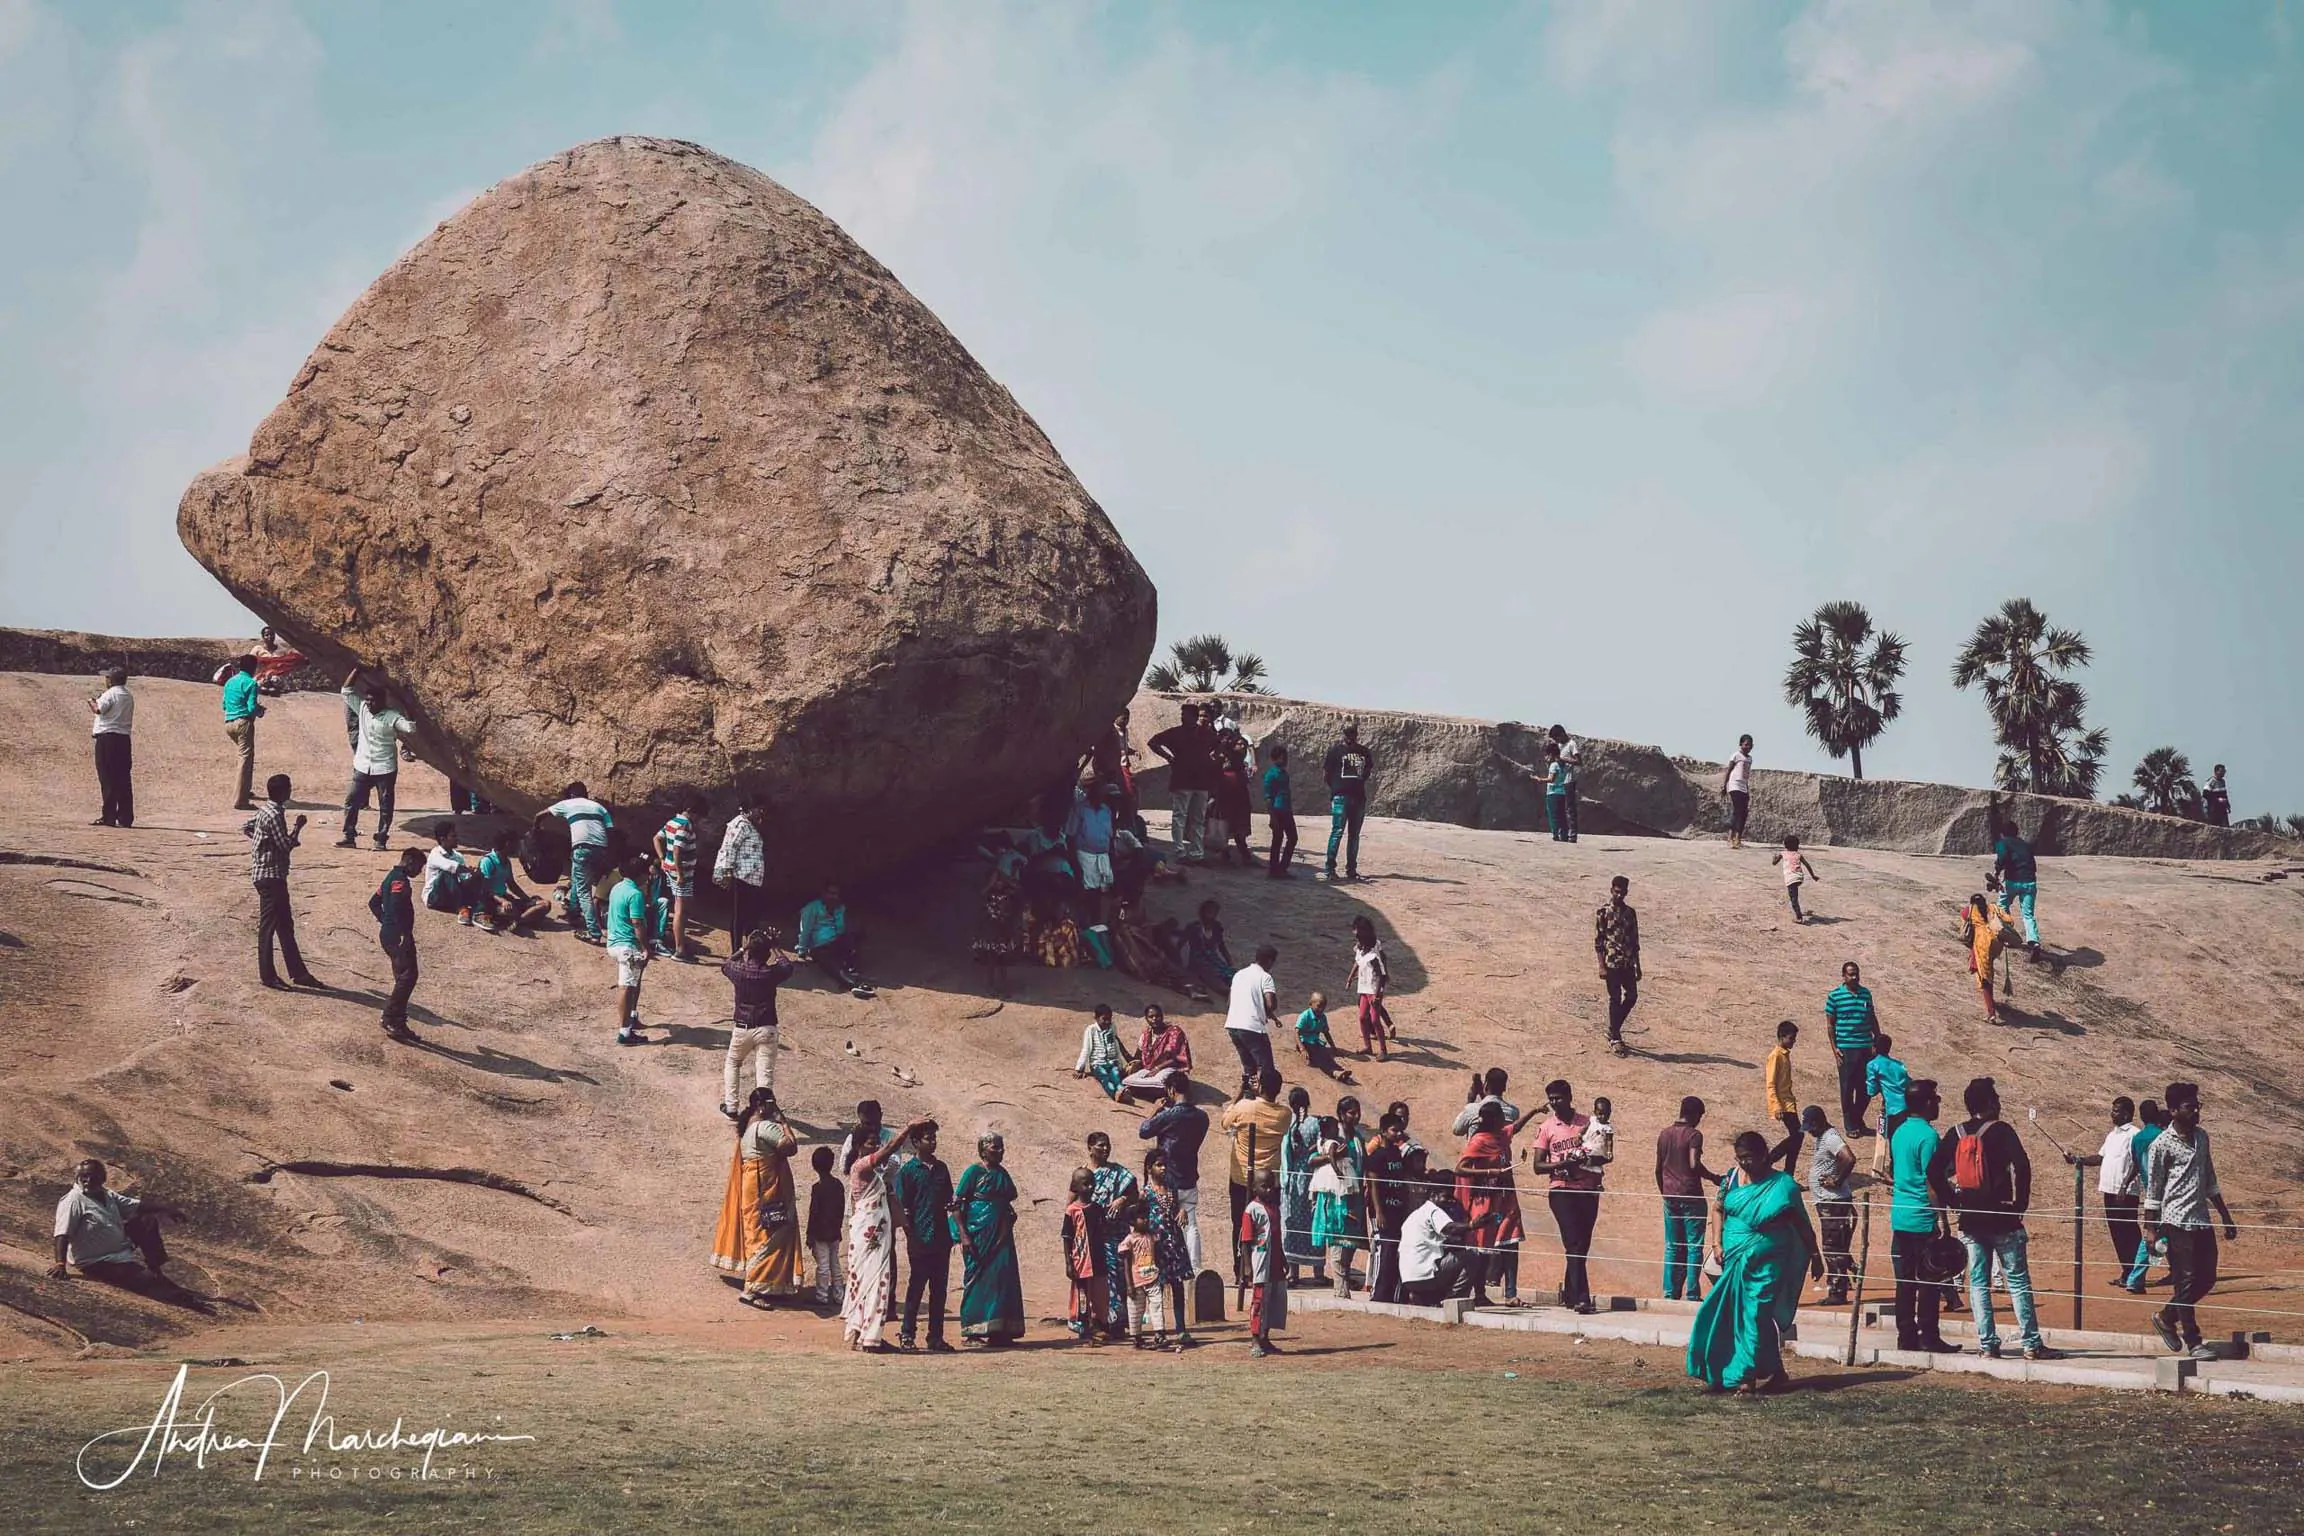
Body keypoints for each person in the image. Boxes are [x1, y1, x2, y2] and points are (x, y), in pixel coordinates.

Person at [1930, 1077, 2059, 1361]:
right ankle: (2031, 1343)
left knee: (1977, 1282)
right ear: (1990, 1103)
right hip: (2002, 1216)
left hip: (1970, 1218)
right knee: (2017, 1280)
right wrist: (2019, 1204)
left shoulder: (1956, 1132)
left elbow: (1934, 1171)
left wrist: (1953, 1201)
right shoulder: (2001, 1130)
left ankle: (1988, 1344)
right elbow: (2022, 1165)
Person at [1685, 1131, 1821, 1393]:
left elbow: (1802, 1224)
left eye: (1748, 1158)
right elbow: (1718, 1208)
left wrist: (1815, 1256)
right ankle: (1774, 1371)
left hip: (1768, 1260)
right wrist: (1716, 1243)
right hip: (1734, 1255)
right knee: (1729, 1312)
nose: (1743, 1163)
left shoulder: (1784, 1185)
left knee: (1755, 1312)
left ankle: (1745, 1376)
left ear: (1763, 1155)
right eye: (1739, 1158)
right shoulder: (1732, 1178)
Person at [2140, 1081, 2239, 1360]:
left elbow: (2210, 1179)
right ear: (2173, 1111)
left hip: (2201, 1219)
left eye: (2197, 1105)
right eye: (2189, 1106)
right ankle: (2194, 1341)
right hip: (2175, 1220)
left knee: (2207, 1278)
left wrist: (2225, 1216)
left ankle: (2165, 1316)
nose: (2195, 1110)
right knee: (2185, 1279)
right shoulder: (2161, 1145)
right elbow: (2154, 1189)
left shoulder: (2202, 1137)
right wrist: (2150, 1229)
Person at [840, 1117, 931, 1351]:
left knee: (870, 1282)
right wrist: (908, 1128)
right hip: (868, 1236)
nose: (875, 1147)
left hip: (876, 1235)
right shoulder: (861, 1167)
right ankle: (870, 1338)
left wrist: (908, 1230)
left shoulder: (876, 1175)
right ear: (860, 1146)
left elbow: (892, 1201)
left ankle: (863, 1335)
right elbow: (890, 1149)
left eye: (876, 1143)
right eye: (871, 1144)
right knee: (871, 1282)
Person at [710, 1088, 803, 1309]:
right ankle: (752, 1289)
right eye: (772, 1104)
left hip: (754, 1188)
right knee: (770, 1236)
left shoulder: (748, 1129)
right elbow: (791, 1148)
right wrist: (785, 1123)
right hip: (767, 1191)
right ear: (762, 1106)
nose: (774, 1108)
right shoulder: (765, 1127)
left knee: (757, 1236)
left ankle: (769, 1284)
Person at [1888, 1079, 1956, 1352]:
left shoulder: (1899, 1132)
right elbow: (1932, 1181)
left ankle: (1905, 1336)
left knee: (1904, 1282)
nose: (1938, 1103)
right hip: (1922, 1216)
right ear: (1927, 1103)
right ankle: (1929, 1335)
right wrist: (1943, 1219)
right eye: (1936, 1099)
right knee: (1929, 1280)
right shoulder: (1928, 1137)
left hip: (1900, 1215)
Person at [49, 1159, 185, 1289]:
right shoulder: (73, 1201)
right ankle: (155, 1280)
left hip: (120, 1251)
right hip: (96, 1261)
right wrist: (60, 1264)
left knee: (146, 1220)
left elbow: (136, 1206)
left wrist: (167, 1209)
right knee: (148, 1281)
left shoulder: (107, 1195)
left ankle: (155, 1266)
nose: (88, 1181)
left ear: (103, 1179)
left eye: (93, 1177)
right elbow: (62, 1233)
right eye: (84, 1177)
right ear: (78, 1177)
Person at [1531, 1080, 1604, 1312]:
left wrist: (1585, 1161)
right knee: (1572, 1242)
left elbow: (1603, 1152)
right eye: (1551, 1099)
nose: (1554, 1103)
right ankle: (1583, 1298)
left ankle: (1570, 1294)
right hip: (1561, 1190)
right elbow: (1538, 1165)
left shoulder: (1589, 1123)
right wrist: (1563, 1163)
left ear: (1569, 1096)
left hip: (1588, 1190)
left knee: (1582, 1244)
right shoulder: (1547, 1127)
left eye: (1558, 1098)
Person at [244, 773, 319, 991]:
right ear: (284, 792)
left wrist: (260, 843)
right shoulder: (274, 814)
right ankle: (268, 976)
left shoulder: (264, 810)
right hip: (271, 876)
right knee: (269, 927)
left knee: (285, 925)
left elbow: (247, 827)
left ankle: (299, 972)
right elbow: (285, 844)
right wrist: (298, 828)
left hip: (266, 874)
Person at [1455, 1098, 1531, 1307]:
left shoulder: (1502, 1134)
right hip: (1486, 1199)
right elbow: (1460, 1168)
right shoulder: (1479, 1141)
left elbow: (1516, 1127)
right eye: (1501, 1117)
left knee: (1511, 1242)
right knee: (1482, 1246)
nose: (1504, 1121)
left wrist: (1534, 1111)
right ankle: (1479, 1293)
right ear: (1493, 1119)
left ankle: (1511, 1293)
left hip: (1506, 1200)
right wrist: (1489, 1171)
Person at [954, 1133, 1027, 1345]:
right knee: (977, 1277)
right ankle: (972, 1330)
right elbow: (957, 1203)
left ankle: (999, 1330)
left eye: (1001, 1147)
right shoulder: (974, 1172)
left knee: (1002, 1278)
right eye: (995, 1148)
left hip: (1001, 1234)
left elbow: (1008, 1198)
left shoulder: (1002, 1173)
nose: (1000, 1151)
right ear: (983, 1149)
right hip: (978, 1232)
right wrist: (963, 1234)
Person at [892, 1122, 957, 1351]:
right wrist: (911, 1234)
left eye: (934, 1138)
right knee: (916, 1288)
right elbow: (903, 1207)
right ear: (916, 1142)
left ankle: (935, 1337)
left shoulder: (941, 1169)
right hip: (919, 1238)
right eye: (928, 1138)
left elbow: (949, 1201)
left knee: (939, 1290)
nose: (933, 1142)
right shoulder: (908, 1172)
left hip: (941, 1238)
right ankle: (907, 1334)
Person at [1137, 1073, 1209, 1271]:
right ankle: (1195, 1268)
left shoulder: (1169, 1115)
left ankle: (1164, 1266)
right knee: (1191, 1224)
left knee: (1163, 1222)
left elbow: (1144, 1131)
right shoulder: (1202, 1117)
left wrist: (1154, 1110)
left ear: (1171, 1090)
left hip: (1167, 1178)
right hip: (1189, 1176)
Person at [721, 928, 797, 1115]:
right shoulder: (770, 974)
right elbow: (787, 966)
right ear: (767, 954)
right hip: (767, 1027)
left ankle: (731, 1107)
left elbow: (726, 964)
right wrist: (777, 947)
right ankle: (763, 1111)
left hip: (742, 1027)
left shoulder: (739, 970)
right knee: (764, 1074)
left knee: (733, 1063)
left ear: (749, 951)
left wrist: (743, 947)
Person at [338, 671, 416, 850]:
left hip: (385, 768)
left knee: (385, 806)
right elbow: (346, 691)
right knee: (352, 801)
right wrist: (357, 670)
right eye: (367, 699)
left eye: (373, 700)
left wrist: (407, 704)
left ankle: (381, 839)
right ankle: (349, 836)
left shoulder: (392, 716)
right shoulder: (363, 709)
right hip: (363, 765)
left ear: (382, 701)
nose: (369, 703)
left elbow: (410, 728)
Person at [1656, 1097, 1720, 1302]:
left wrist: (1664, 1192)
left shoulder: (1664, 1134)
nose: (1699, 1120)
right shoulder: (1694, 1135)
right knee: (1694, 1246)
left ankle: (1670, 1292)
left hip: (1670, 1195)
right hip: (1691, 1194)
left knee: (1672, 1246)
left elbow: (1658, 1168)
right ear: (1694, 1114)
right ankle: (1692, 1293)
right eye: (1699, 1116)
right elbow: (1694, 1163)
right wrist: (1713, 1177)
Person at [1221, 1069, 1291, 1244]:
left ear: (1259, 1086)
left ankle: (1240, 1267)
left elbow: (1225, 1123)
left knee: (1239, 1225)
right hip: (1269, 1180)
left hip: (1241, 1178)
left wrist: (1241, 1094)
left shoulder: (1244, 1106)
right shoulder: (1285, 1114)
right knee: (1267, 1226)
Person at [542, 783, 615, 944]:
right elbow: (611, 830)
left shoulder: (568, 803)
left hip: (582, 848)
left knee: (584, 891)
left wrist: (535, 829)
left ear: (572, 795)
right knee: (578, 878)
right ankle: (574, 912)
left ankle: (594, 933)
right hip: (602, 849)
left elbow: (541, 814)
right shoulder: (599, 807)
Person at [1085, 1131, 1140, 1334]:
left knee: (1117, 1277)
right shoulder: (1083, 1174)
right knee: (1095, 1279)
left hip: (1116, 1235)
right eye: (1100, 1145)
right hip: (1093, 1236)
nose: (1105, 1149)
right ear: (1090, 1148)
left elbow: (1134, 1193)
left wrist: (1122, 1200)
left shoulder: (1119, 1173)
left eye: (1107, 1145)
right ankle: (1095, 1321)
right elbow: (1072, 1202)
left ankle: (1117, 1321)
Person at [1147, 702, 1215, 864]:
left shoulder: (1205, 733)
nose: (1182, 717)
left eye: (1185, 715)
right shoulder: (1176, 733)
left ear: (1193, 716)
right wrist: (1169, 757)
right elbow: (1153, 742)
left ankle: (1196, 853)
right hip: (1183, 781)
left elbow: (1218, 745)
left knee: (1196, 818)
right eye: (1182, 715)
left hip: (1199, 781)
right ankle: (1180, 852)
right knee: (1181, 817)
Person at [1142, 1150, 1195, 1349]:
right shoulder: (1146, 1193)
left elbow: (1180, 1205)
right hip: (1158, 1247)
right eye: (1158, 1165)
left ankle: (1181, 1329)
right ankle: (1160, 1329)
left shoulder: (1171, 1188)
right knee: (1157, 1288)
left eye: (1164, 1164)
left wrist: (1182, 1211)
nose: (1163, 1168)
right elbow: (1138, 1217)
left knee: (1177, 1286)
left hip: (1175, 1244)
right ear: (1149, 1168)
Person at [1803, 1106, 1856, 1303]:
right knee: (1836, 1245)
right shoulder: (1823, 1138)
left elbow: (1849, 1158)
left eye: (1811, 1127)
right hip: (1828, 1201)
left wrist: (1837, 1181)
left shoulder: (1831, 1137)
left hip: (1833, 1201)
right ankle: (1843, 1281)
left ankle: (1837, 1292)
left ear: (1818, 1122)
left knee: (1832, 1247)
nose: (1809, 1131)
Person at [370, 847, 423, 1040]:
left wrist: (385, 921)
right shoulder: (399, 881)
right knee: (407, 977)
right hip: (398, 937)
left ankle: (398, 1020)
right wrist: (399, 930)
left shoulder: (390, 877)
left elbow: (373, 902)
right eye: (419, 866)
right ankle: (391, 1018)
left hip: (390, 933)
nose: (419, 871)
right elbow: (396, 905)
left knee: (404, 977)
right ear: (409, 861)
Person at [1824, 960, 1880, 1136]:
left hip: (1866, 1047)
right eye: (1850, 974)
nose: (1854, 977)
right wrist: (1835, 1049)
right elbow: (1830, 1025)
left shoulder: (1865, 994)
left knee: (1866, 1088)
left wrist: (1877, 1040)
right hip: (1846, 1048)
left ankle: (1857, 1118)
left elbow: (1872, 1017)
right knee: (1848, 1088)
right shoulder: (1835, 996)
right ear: (1843, 976)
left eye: (1856, 973)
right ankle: (1850, 1124)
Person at [1398, 1179, 1474, 1306]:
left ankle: (1425, 1298)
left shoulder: (1414, 1216)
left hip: (1408, 1278)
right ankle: (1452, 1301)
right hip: (1425, 1276)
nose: (1449, 1200)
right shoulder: (1433, 1210)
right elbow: (1450, 1228)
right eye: (1446, 1196)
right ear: (1433, 1196)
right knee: (1472, 1256)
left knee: (1452, 1257)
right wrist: (1472, 1225)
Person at [606, 855, 656, 1045]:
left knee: (634, 980)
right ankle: (624, 1033)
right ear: (640, 875)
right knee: (626, 986)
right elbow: (637, 923)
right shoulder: (635, 894)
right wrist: (645, 946)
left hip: (614, 942)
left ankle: (632, 1017)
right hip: (627, 946)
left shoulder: (617, 888)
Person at [1364, 1113, 1415, 1302]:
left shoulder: (1397, 1154)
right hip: (1383, 1211)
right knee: (1383, 1252)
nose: (1398, 1133)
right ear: (1383, 1131)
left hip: (1398, 1211)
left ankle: (1393, 1295)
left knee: (1396, 1252)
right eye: (1394, 1130)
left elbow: (1402, 1183)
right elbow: (1373, 1185)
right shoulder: (1376, 1156)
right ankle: (1378, 1295)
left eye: (1400, 1130)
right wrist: (1378, 1211)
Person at [2121, 1100, 2168, 1293]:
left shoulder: (2137, 1139)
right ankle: (2136, 1278)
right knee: (2160, 1235)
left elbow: (2136, 1165)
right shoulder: (2163, 1136)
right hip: (2166, 1192)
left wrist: (2125, 1184)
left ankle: (2137, 1278)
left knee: (2153, 1233)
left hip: (2149, 1191)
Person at [1278, 1088, 1324, 1282]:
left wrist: (1301, 1152)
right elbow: (1322, 1144)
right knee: (1315, 1221)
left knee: (1293, 1222)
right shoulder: (1315, 1123)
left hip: (1293, 1179)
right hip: (1311, 1176)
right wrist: (1308, 1150)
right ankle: (1318, 1273)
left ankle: (1293, 1273)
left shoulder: (1289, 1124)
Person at [1059, 1167, 1111, 1342]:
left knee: (1100, 1293)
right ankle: (1084, 1327)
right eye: (1085, 1184)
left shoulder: (1097, 1208)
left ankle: (1098, 1325)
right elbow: (1067, 1237)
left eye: (1092, 1183)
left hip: (1098, 1258)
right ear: (1075, 1186)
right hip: (1080, 1260)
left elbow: (1104, 1231)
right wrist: (1068, 1263)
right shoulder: (1071, 1211)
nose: (1089, 1187)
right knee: (1082, 1294)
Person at [797, 881, 873, 998]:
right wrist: (802, 950)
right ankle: (853, 985)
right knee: (831, 966)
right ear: (823, 893)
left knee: (855, 933)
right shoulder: (812, 908)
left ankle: (851, 966)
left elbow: (841, 928)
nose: (834, 897)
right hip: (819, 946)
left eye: (836, 894)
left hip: (836, 942)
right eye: (831, 893)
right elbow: (805, 930)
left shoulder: (840, 908)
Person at [1240, 1169, 1287, 1356]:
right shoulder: (1251, 1210)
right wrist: (1247, 1267)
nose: (1269, 1190)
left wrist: (1283, 1257)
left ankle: (1265, 1337)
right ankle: (1255, 1339)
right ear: (1254, 1188)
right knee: (1259, 1301)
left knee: (1274, 1300)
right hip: (1260, 1261)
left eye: (1271, 1186)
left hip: (1275, 1261)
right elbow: (1245, 1241)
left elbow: (1277, 1235)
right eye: (1264, 1186)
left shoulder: (1274, 1208)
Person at [1224, 943, 1281, 1093]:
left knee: (1250, 1069)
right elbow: (1270, 1004)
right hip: (1252, 1028)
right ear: (1269, 961)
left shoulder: (1239, 974)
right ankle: (1266, 1101)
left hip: (1233, 1025)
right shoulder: (1265, 977)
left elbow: (1229, 1002)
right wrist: (1270, 1007)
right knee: (1266, 1069)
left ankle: (1248, 1097)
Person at [652, 796, 705, 959]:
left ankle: (680, 942)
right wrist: (681, 874)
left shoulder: (672, 821)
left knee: (683, 906)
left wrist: (662, 859)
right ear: (690, 811)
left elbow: (657, 838)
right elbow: (677, 850)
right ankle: (680, 950)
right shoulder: (684, 825)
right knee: (680, 910)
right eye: (697, 814)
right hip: (681, 873)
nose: (698, 819)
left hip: (671, 869)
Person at [1310, 1138, 1363, 1296]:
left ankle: (1342, 1291)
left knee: (1343, 1256)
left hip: (1344, 1217)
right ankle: (1341, 1292)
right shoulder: (1328, 1173)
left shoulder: (1345, 1166)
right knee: (1338, 1256)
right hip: (1334, 1218)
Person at [1594, 875, 1641, 1056]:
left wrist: (1638, 965)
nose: (1619, 895)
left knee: (1632, 996)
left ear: (1626, 892)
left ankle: (1613, 1028)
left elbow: (1635, 941)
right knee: (1615, 998)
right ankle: (1615, 1038)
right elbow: (1599, 941)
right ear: (1611, 890)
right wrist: (1601, 966)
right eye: (1616, 892)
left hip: (1628, 962)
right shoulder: (1603, 913)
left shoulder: (1630, 913)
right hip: (1611, 963)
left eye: (1622, 892)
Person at [422, 824, 502, 928]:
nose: (457, 839)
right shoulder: (435, 854)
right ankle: (462, 908)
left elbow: (463, 879)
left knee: (477, 877)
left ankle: (479, 913)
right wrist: (469, 871)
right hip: (434, 897)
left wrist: (474, 875)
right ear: (443, 839)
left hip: (451, 896)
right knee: (447, 873)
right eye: (453, 836)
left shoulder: (458, 856)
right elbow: (453, 867)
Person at [713, 797, 769, 945]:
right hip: (740, 877)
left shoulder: (750, 825)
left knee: (750, 916)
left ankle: (751, 952)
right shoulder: (739, 824)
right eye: (759, 809)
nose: (762, 812)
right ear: (750, 809)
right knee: (739, 916)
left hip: (751, 879)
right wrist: (727, 873)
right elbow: (730, 848)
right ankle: (736, 952)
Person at [2097, 1096, 2143, 1276]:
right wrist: (2079, 1159)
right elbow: (2101, 1157)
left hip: (2126, 1193)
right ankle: (2127, 1270)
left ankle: (2136, 1271)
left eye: (2116, 1110)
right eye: (2112, 1110)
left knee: (2129, 1232)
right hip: (2109, 1190)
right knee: (2116, 1233)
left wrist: (2124, 1185)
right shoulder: (2111, 1135)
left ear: (2126, 1114)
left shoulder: (2134, 1134)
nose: (2112, 1114)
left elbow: (2138, 1163)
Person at [1322, 719, 1374, 881]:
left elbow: (1367, 771)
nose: (1350, 735)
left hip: (1358, 797)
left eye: (1353, 732)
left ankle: (1351, 869)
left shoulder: (1363, 752)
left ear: (1357, 734)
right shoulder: (1335, 751)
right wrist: (1337, 788)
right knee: (1337, 831)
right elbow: (1326, 774)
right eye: (1348, 732)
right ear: (1343, 734)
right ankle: (1330, 868)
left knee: (1354, 835)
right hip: (1341, 797)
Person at [1961, 891, 2020, 1022]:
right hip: (1995, 944)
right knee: (1986, 973)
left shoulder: (1969, 910)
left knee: (1985, 978)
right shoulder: (1993, 908)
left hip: (1981, 945)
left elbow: (1964, 924)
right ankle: (1991, 1008)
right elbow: (2009, 920)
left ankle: (1991, 1012)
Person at [88, 667, 134, 828]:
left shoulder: (110, 694)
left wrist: (91, 701)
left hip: (107, 738)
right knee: (123, 779)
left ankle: (109, 816)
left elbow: (99, 710)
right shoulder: (128, 695)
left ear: (111, 679)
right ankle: (125, 817)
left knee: (107, 777)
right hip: (123, 739)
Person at [1119, 1004, 1193, 1103]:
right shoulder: (1146, 1035)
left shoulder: (1174, 1032)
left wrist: (1158, 1068)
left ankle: (1153, 1090)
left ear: (1162, 1016)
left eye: (1157, 1016)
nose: (1154, 1019)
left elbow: (1176, 1057)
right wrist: (1119, 1045)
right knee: (1126, 1081)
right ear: (1146, 1018)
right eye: (1151, 1017)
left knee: (1161, 1082)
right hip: (1150, 1069)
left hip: (1170, 1068)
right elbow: (1137, 1058)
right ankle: (1159, 1091)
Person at [1991, 816, 2043, 954]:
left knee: (2002, 906)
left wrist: (1997, 872)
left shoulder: (2003, 842)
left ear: (2002, 833)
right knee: (2028, 915)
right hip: (2030, 881)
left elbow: (2002, 858)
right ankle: (2034, 942)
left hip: (2012, 881)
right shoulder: (2025, 844)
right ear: (2016, 832)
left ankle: (2008, 933)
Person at [478, 831, 548, 931]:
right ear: (508, 844)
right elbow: (485, 890)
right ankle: (525, 917)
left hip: (507, 900)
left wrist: (527, 900)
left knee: (545, 904)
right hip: (493, 902)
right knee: (509, 911)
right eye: (516, 844)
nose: (518, 847)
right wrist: (502, 901)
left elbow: (511, 884)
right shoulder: (488, 861)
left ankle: (518, 921)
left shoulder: (507, 862)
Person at [1117, 1206, 1166, 1348]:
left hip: (1153, 1278)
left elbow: (1158, 1255)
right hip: (1136, 1281)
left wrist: (1160, 1273)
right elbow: (1126, 1264)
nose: (1146, 1220)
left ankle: (1159, 1333)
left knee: (1157, 1305)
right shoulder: (1129, 1240)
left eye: (1147, 1217)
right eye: (1142, 1218)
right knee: (1135, 1309)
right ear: (1133, 1221)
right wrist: (1129, 1285)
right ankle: (1136, 1336)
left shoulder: (1152, 1236)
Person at [1209, 733, 1259, 868]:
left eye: (1243, 744)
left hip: (1240, 799)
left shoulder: (1242, 763)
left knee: (1239, 829)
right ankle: (1227, 855)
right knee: (1226, 827)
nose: (1242, 746)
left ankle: (1244, 856)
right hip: (1226, 797)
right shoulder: (1225, 758)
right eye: (1239, 744)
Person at [1349, 916, 1395, 1059]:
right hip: (1364, 989)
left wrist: (1377, 994)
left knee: (1374, 1020)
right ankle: (1368, 1047)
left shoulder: (1373, 955)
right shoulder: (1360, 950)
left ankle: (1383, 1050)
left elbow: (1381, 975)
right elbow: (1357, 963)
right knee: (1363, 1017)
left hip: (1373, 990)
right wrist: (1350, 977)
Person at [220, 656, 261, 810]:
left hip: (229, 723)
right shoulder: (251, 683)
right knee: (245, 759)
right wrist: (260, 710)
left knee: (245, 757)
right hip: (243, 723)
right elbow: (251, 708)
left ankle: (245, 790)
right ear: (253, 667)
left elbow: (224, 705)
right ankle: (240, 800)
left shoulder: (230, 682)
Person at [806, 1146, 845, 1307]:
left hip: (821, 1233)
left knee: (823, 1266)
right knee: (835, 1264)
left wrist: (810, 1234)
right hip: (834, 1231)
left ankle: (821, 1296)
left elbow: (813, 1213)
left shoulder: (818, 1188)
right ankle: (839, 1295)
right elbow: (841, 1209)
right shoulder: (838, 1185)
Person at [1073, 1003, 1134, 1099]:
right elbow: (1086, 1049)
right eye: (1104, 1019)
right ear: (1096, 1018)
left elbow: (1115, 1045)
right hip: (1098, 1063)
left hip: (1112, 1062)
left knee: (1116, 1075)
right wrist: (1079, 1068)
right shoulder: (1091, 1030)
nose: (1107, 1022)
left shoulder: (1112, 1027)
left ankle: (1122, 1090)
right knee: (1104, 1077)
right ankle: (1115, 1094)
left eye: (1109, 1019)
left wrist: (1120, 1064)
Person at [1764, 1020, 1801, 1173]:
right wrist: (1776, 1106)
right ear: (1782, 1037)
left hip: (1789, 1102)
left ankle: (1788, 1173)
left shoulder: (1784, 1055)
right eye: (1791, 1038)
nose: (1793, 1041)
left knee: (1797, 1138)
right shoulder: (1775, 1056)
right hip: (1783, 1104)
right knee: (1797, 1136)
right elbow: (1770, 1083)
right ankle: (1769, 1159)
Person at [1294, 993, 1355, 1084]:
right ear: (1310, 1004)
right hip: (1304, 1042)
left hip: (1315, 1042)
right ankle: (1334, 1072)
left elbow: (1326, 1033)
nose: (1321, 1009)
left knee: (1326, 1055)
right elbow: (1296, 1033)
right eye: (1319, 1006)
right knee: (1319, 1058)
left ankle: (1340, 1070)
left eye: (1323, 1007)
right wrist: (1302, 1049)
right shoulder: (1305, 1016)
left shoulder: (1322, 1017)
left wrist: (1334, 1048)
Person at [1183, 899, 1235, 998]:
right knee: (1214, 979)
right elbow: (1181, 943)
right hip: (1199, 960)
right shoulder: (1193, 927)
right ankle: (1228, 992)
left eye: (1214, 913)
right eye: (1209, 912)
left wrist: (1230, 962)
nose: (1211, 915)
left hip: (1214, 959)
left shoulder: (1216, 927)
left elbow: (1221, 946)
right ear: (1202, 913)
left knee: (1232, 974)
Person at [1263, 743, 1297, 876]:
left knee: (1290, 838)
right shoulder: (1271, 775)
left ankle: (1280, 867)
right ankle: (1275, 868)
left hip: (1286, 809)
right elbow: (1268, 797)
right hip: (1277, 810)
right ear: (1275, 759)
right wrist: (1272, 816)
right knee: (1278, 839)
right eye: (1282, 758)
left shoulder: (1283, 774)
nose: (1285, 761)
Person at [1773, 836, 1818, 922]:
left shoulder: (1783, 853)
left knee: (1793, 898)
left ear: (1785, 845)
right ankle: (1797, 910)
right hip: (1799, 877)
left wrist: (1774, 858)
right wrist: (1813, 876)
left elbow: (1774, 863)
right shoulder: (1798, 855)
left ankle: (1799, 917)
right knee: (1793, 894)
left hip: (1791, 878)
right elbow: (1807, 865)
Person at [1548, 724, 1581, 841]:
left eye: (1557, 738)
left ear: (1562, 734)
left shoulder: (1572, 744)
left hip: (1569, 780)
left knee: (1570, 808)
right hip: (1560, 782)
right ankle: (1563, 834)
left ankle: (1573, 834)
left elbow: (1578, 761)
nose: (1557, 741)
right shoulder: (1559, 745)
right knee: (1560, 808)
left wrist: (1563, 759)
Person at [1720, 734, 1754, 849]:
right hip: (1734, 785)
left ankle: (1738, 838)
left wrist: (1747, 789)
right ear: (1741, 744)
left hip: (1743, 786)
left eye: (1750, 745)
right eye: (1746, 744)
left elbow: (1746, 775)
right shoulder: (1736, 755)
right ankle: (1731, 837)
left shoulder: (1749, 759)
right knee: (1738, 810)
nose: (1748, 746)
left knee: (1744, 812)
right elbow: (1729, 770)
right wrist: (1724, 785)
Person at [1541, 743, 1571, 842]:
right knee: (1562, 814)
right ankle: (1564, 834)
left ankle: (1555, 834)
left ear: (1551, 754)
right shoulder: (1564, 765)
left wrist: (1539, 779)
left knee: (1553, 815)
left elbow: (1551, 779)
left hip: (1552, 793)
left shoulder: (1554, 765)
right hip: (1562, 793)